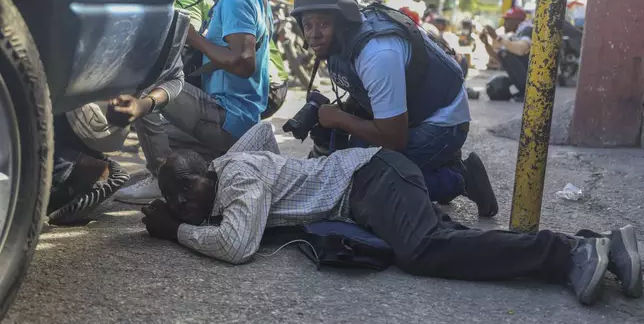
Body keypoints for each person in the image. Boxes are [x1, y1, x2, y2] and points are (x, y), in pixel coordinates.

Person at [141, 123, 643, 306]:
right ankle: (601, 245)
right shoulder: (229, 162)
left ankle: (569, 253)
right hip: (371, 185)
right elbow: (264, 134)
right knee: (454, 244)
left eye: (186, 199)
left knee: (424, 251)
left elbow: (236, 246)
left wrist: (176, 229)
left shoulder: (238, 177)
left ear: (199, 179)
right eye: (179, 205)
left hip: (371, 179)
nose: (190, 209)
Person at [288, 0, 498, 217]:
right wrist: (342, 113)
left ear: (344, 21)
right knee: (350, 159)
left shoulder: (377, 53)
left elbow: (393, 138)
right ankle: (437, 167)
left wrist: (337, 119)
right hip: (412, 114)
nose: (314, 34)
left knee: (366, 184)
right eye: (307, 25)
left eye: (323, 24)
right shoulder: (341, 42)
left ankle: (460, 178)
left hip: (442, 122)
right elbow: (363, 93)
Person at [114, 0, 272, 204]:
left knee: (148, 86)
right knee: (161, 128)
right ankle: (177, 171)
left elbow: (244, 62)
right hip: (233, 120)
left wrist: (195, 38)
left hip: (228, 118)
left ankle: (161, 177)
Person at [480, 7, 533, 99]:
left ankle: (526, 91)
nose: (504, 24)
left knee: (505, 53)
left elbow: (520, 50)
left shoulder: (528, 30)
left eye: (507, 20)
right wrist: (486, 43)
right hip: (528, 69)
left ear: (517, 21)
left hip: (534, 74)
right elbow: (498, 58)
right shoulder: (516, 34)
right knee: (503, 53)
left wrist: (497, 37)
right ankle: (523, 90)